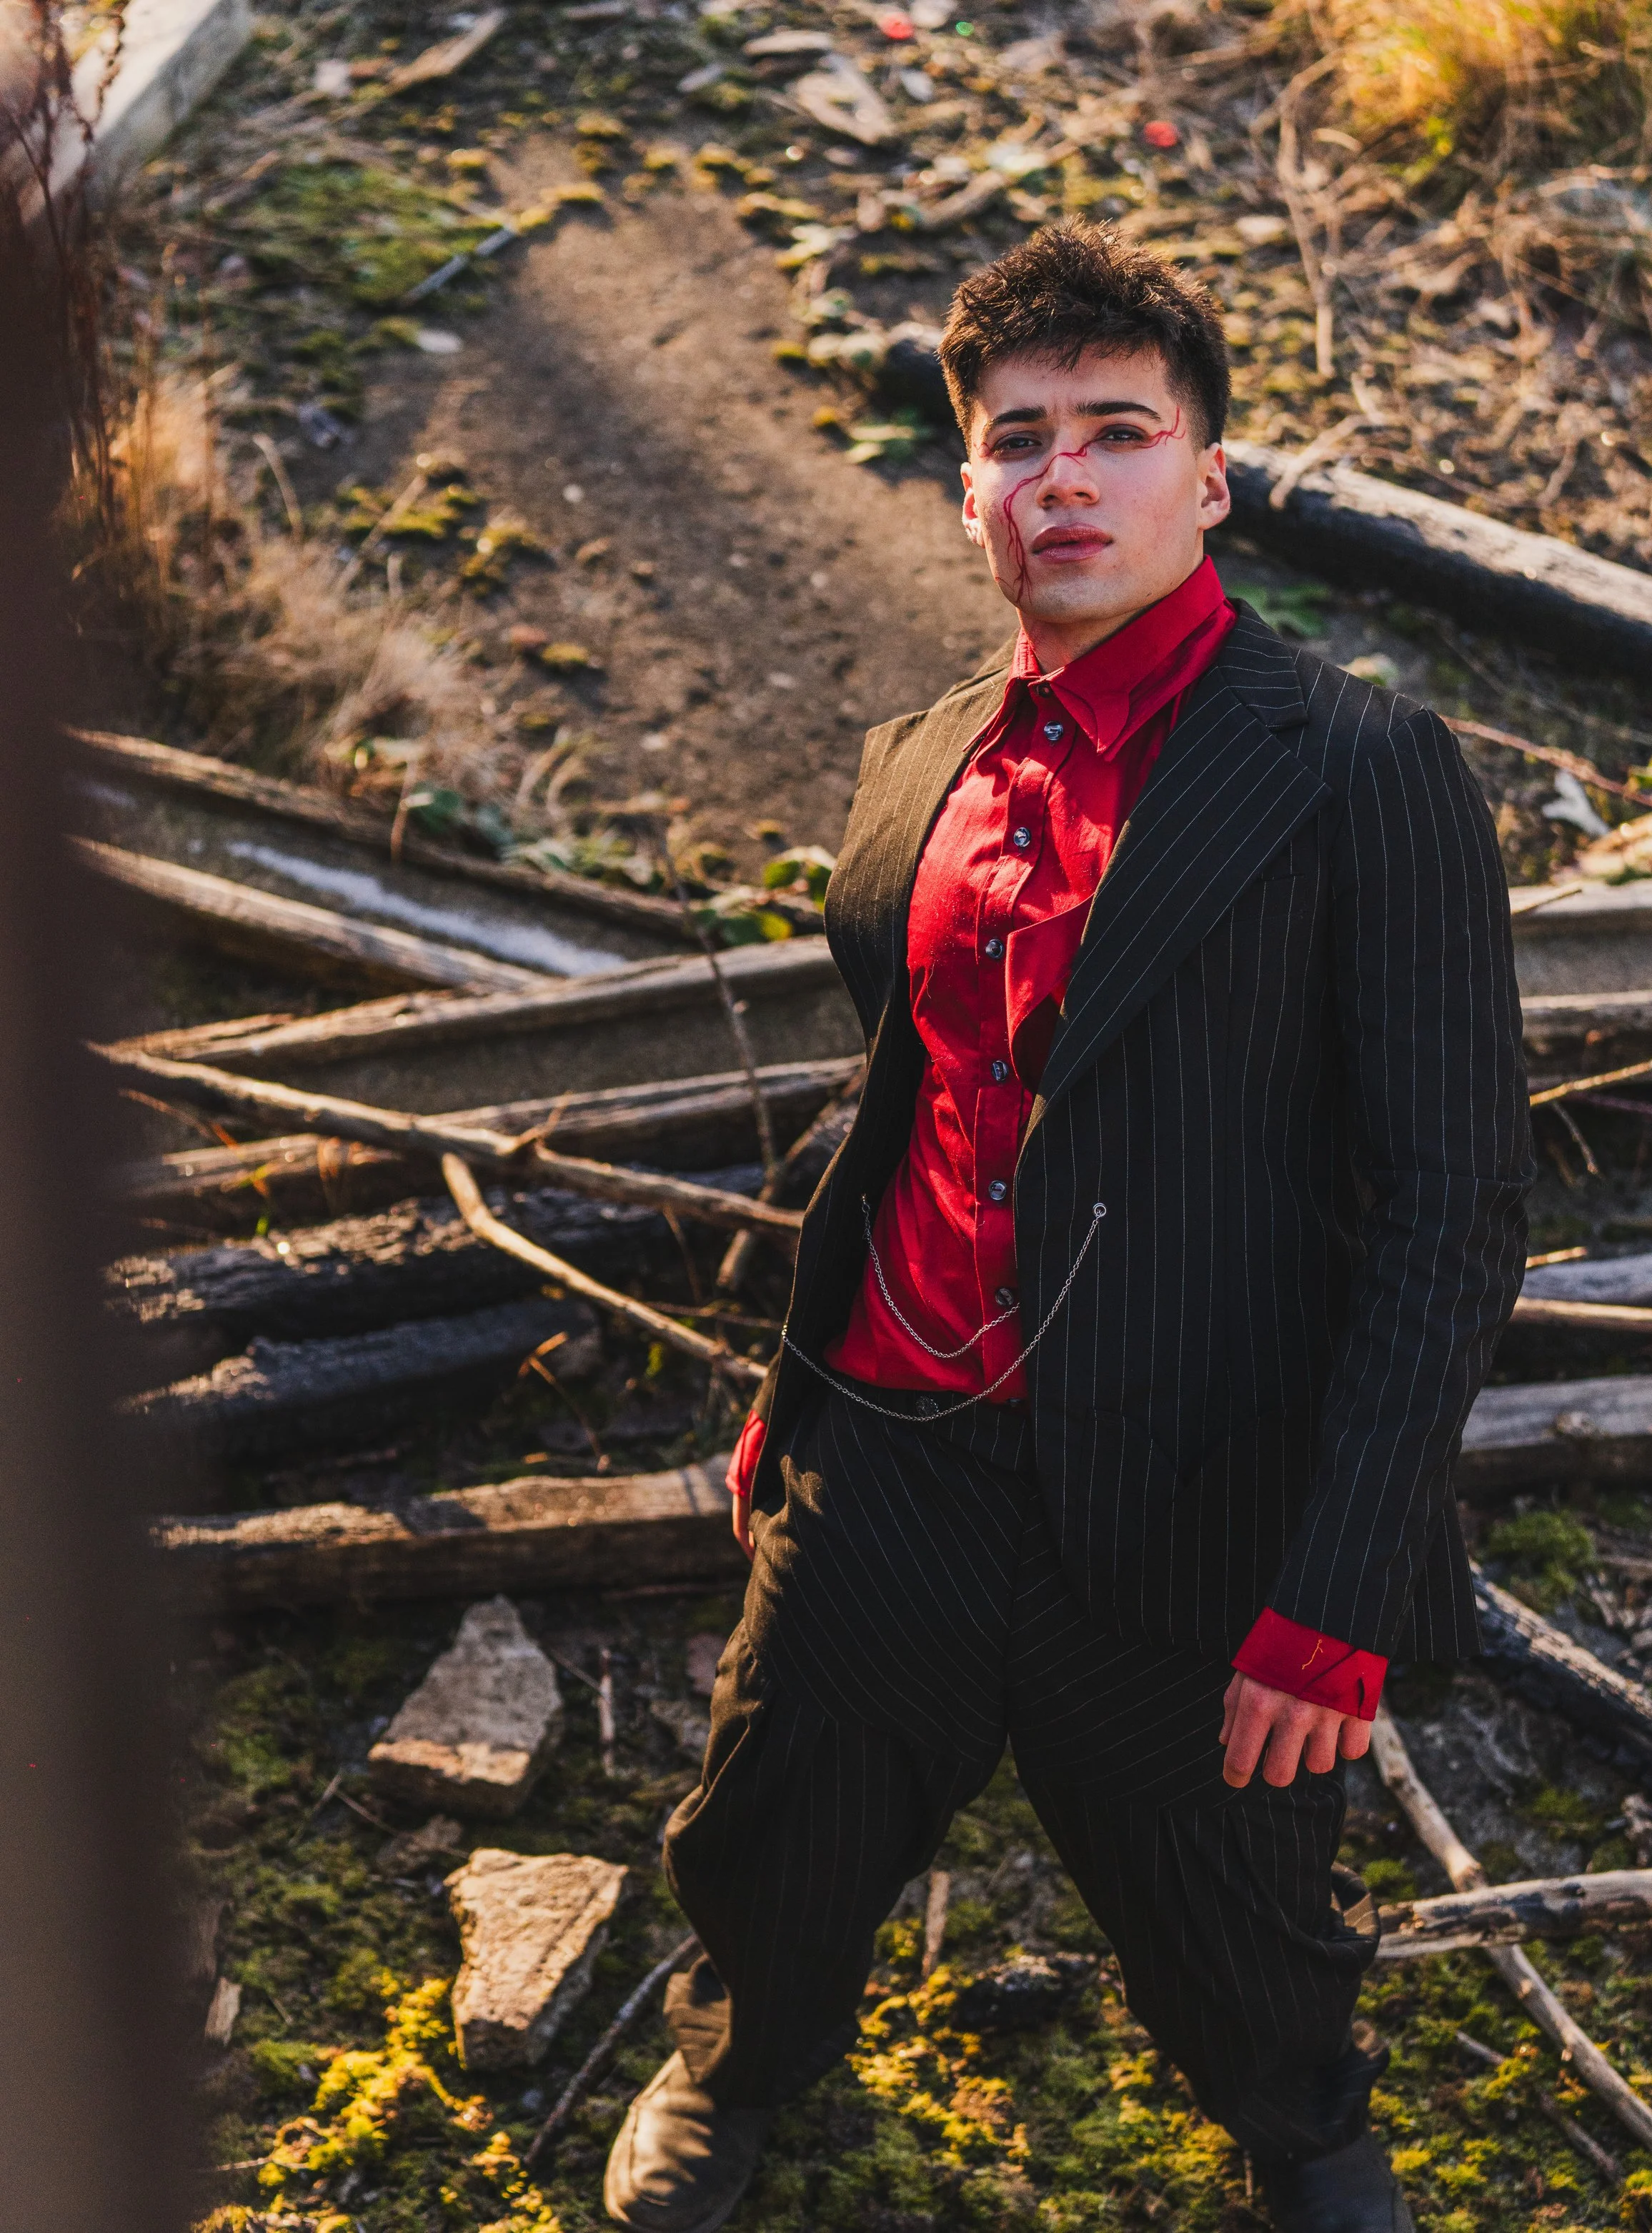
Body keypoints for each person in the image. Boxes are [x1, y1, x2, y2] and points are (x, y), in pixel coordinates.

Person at [603, 220, 1533, 2233]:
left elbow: (1456, 1210)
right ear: (968, 492)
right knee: (774, 1812)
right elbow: (904, 1099)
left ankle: (1308, 2137)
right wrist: (792, 1389)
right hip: (891, 1440)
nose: (1065, 476)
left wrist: (1342, 1588)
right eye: (1019, 438)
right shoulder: (908, 770)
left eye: (1119, 430)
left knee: (1228, 1900)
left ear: (1207, 480)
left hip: (1201, 1485)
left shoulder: (1361, 774)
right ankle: (732, 2073)